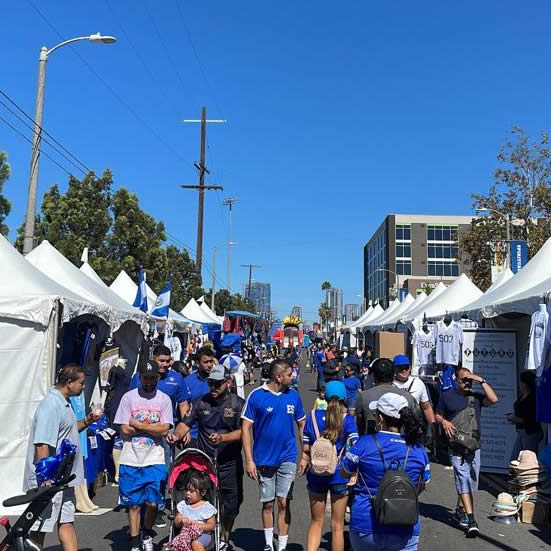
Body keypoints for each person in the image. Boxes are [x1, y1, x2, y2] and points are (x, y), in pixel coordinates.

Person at [24, 363, 102, 551]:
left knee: (67, 522)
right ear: (69, 382)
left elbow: (68, 430)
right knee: (40, 527)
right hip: (50, 481)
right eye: (81, 383)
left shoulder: (64, 403)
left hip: (65, 479)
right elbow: (42, 444)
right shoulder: (51, 405)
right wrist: (46, 481)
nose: (83, 386)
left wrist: (88, 420)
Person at [342, 393, 431, 551]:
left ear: (381, 418)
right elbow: (422, 485)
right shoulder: (419, 449)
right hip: (406, 523)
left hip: (366, 523)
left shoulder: (364, 444)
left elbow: (345, 472)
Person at [169, 365, 245, 549]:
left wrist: (223, 437)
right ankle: (206, 540)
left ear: (227, 382)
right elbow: (184, 424)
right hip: (205, 464)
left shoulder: (238, 403)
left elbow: (246, 432)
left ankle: (224, 537)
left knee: (232, 504)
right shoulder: (199, 402)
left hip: (230, 461)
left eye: (218, 384)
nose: (214, 387)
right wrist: (176, 435)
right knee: (204, 503)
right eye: (211, 383)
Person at [241, 360, 306, 551]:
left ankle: (282, 546)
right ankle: (269, 543)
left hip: (288, 456)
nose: (292, 377)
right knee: (268, 503)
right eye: (289, 374)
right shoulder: (256, 396)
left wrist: (305, 455)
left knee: (284, 501)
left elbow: (302, 425)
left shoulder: (293, 396)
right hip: (263, 458)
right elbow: (245, 427)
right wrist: (250, 459)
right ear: (278, 377)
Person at [129, 344, 191, 527]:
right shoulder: (138, 378)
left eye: (168, 360)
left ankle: (158, 507)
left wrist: (183, 428)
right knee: (140, 467)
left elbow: (183, 405)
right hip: (141, 429)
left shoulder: (177, 378)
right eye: (161, 360)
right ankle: (141, 504)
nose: (165, 364)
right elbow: (130, 402)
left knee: (163, 469)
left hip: (166, 430)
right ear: (153, 359)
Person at [114, 360, 173, 551]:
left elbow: (164, 429)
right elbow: (124, 429)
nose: (148, 382)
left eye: (152, 378)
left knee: (153, 503)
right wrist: (151, 428)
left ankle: (146, 531)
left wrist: (138, 425)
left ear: (158, 378)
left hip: (155, 457)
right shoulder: (129, 398)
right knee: (133, 505)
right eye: (145, 378)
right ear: (140, 378)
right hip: (131, 458)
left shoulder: (164, 399)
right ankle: (134, 543)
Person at [435, 367, 498, 537]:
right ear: (456, 380)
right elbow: (437, 415)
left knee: (471, 482)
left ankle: (458, 512)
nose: (467, 383)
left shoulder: (476, 397)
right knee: (463, 479)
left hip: (474, 447)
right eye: (464, 380)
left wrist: (481, 380)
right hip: (456, 448)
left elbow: (494, 399)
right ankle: (471, 520)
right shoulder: (447, 396)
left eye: (470, 380)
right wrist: (445, 422)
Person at [300, 381, 358, 551]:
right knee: (337, 526)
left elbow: (305, 447)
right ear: (344, 398)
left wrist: (305, 460)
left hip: (316, 473)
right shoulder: (347, 419)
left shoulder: (311, 416)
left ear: (324, 396)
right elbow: (356, 446)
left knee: (316, 522)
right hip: (339, 474)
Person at [356, 358, 419, 436]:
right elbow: (416, 423)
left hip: (372, 445)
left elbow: (360, 426)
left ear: (373, 376)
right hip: (402, 445)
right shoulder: (407, 397)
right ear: (394, 375)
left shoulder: (363, 397)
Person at [166, 472, 217, 551]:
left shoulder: (207, 508)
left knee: (195, 543)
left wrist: (198, 525)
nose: (187, 493)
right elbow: (176, 521)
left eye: (191, 491)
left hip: (203, 535)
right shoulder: (183, 505)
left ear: (203, 492)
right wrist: (181, 520)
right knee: (178, 545)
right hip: (185, 535)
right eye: (187, 490)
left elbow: (211, 526)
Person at [183, 347, 216, 446]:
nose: (210, 365)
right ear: (197, 363)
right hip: (193, 435)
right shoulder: (187, 382)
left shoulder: (218, 381)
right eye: (206, 362)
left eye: (211, 361)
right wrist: (185, 430)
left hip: (213, 434)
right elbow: (183, 407)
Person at [392, 355, 435, 427]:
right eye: (400, 367)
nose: (404, 370)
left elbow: (426, 407)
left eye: (406, 367)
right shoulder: (390, 384)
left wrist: (434, 428)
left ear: (410, 368)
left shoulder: (418, 382)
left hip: (414, 426)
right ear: (394, 369)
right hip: (395, 425)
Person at [508, 371, 542, 459]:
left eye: (521, 381)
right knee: (515, 458)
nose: (520, 384)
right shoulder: (523, 396)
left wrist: (516, 419)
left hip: (530, 431)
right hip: (521, 431)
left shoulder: (532, 398)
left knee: (527, 459)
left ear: (525, 383)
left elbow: (532, 418)